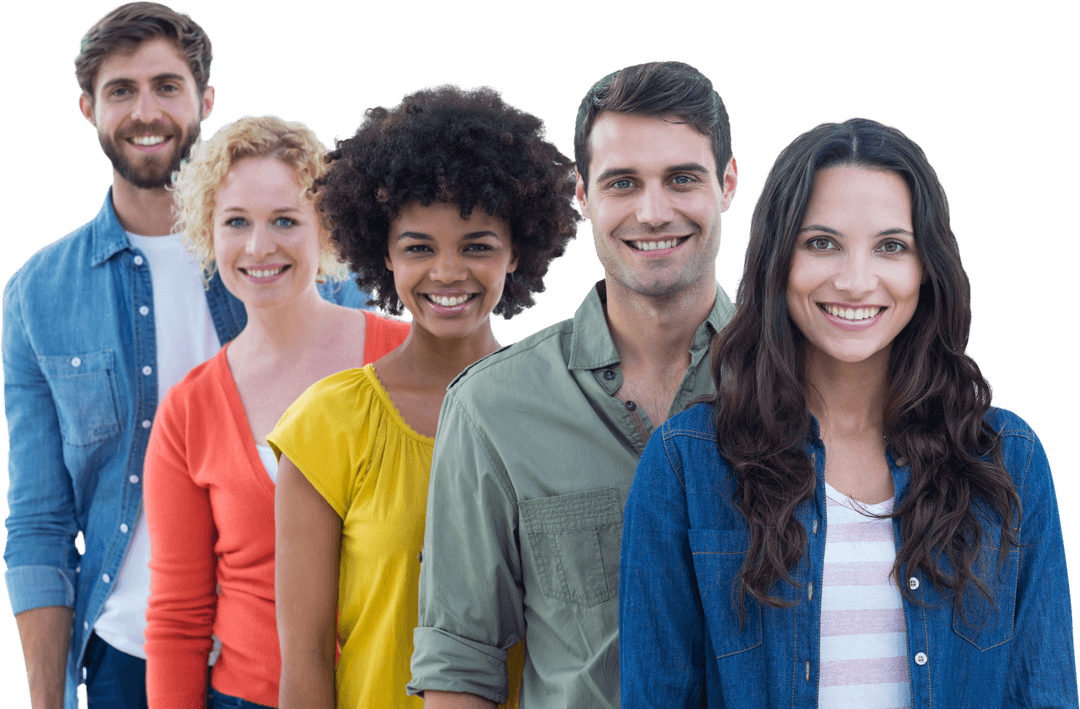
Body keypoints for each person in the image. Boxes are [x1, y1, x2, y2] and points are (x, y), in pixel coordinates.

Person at [619, 117, 1078, 707]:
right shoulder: (687, 465)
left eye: (892, 246)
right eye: (821, 243)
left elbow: (1043, 693)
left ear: (925, 269)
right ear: (777, 261)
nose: (856, 281)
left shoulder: (1006, 459)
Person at [1, 5, 367, 709]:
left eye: (167, 86)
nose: (147, 111)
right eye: (121, 90)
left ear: (205, 101)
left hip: (294, 653)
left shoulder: (312, 267)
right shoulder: (37, 295)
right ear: (87, 108)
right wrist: (48, 699)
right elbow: (39, 523)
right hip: (125, 658)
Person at [407, 61, 738, 708]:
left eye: (682, 178)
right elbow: (460, 659)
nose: (653, 210)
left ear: (726, 184)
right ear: (583, 197)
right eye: (623, 182)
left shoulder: (809, 383)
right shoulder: (492, 407)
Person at [268, 84, 580, 709]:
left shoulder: (566, 411)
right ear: (383, 253)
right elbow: (304, 664)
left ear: (516, 251)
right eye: (419, 247)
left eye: (476, 246)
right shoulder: (327, 425)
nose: (446, 273)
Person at [141, 115, 408, 709]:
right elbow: (179, 616)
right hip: (248, 698)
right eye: (237, 222)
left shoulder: (405, 358)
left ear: (327, 229)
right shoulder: (189, 410)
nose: (259, 247)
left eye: (285, 221)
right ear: (209, 234)